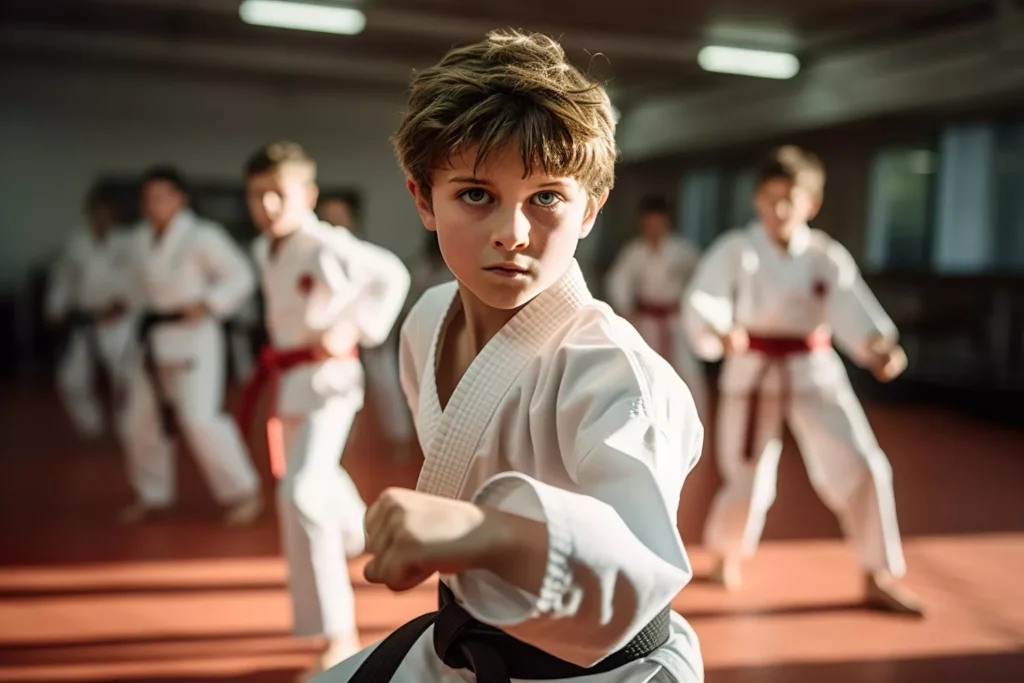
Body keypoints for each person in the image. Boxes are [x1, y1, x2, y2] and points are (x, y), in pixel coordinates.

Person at [316, 29, 704, 683]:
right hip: (472, 644)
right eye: (475, 194)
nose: (512, 234)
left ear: (590, 210)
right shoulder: (426, 321)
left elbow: (639, 569)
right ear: (423, 199)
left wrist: (482, 531)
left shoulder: (613, 371)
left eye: (546, 197)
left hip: (607, 672)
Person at [684, 145, 924, 616]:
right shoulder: (736, 249)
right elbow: (704, 299)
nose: (777, 209)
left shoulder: (824, 255)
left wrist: (878, 346)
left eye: (788, 199)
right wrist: (719, 328)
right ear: (756, 200)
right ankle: (726, 557)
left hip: (813, 370)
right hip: (752, 370)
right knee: (747, 477)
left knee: (866, 463)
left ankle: (877, 574)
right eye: (769, 198)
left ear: (810, 203)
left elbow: (853, 309)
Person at [239, 141, 410, 677]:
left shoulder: (323, 243)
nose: (266, 206)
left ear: (306, 194)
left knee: (302, 493)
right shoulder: (263, 249)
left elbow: (392, 275)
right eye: (256, 196)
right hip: (289, 381)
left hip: (330, 379)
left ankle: (338, 635)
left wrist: (355, 329)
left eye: (277, 194)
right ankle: (362, 532)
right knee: (312, 479)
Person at [118, 166, 263, 525]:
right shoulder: (138, 239)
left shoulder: (202, 235)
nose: (154, 205)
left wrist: (209, 303)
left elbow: (241, 274)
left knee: (199, 419)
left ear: (180, 199)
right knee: (139, 422)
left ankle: (244, 491)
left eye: (162, 197)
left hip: (196, 336)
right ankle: (152, 495)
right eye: (149, 198)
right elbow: (136, 289)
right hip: (153, 338)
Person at [45, 183, 137, 440]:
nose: (102, 218)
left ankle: (125, 427)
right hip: (85, 319)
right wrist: (54, 307)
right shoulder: (77, 243)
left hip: (120, 319)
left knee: (125, 378)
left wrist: (124, 303)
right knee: (70, 380)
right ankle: (90, 426)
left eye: (107, 213)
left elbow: (140, 281)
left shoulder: (128, 242)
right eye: (97, 212)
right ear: (90, 214)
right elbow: (63, 279)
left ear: (115, 215)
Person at [605, 196, 707, 418]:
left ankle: (696, 423)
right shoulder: (633, 251)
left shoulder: (683, 250)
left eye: (657, 222)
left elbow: (701, 279)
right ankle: (648, 420)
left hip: (676, 320)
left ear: (667, 221)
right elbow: (618, 281)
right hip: (647, 321)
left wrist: (693, 307)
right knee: (643, 369)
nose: (653, 227)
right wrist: (626, 307)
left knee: (688, 373)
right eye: (648, 222)